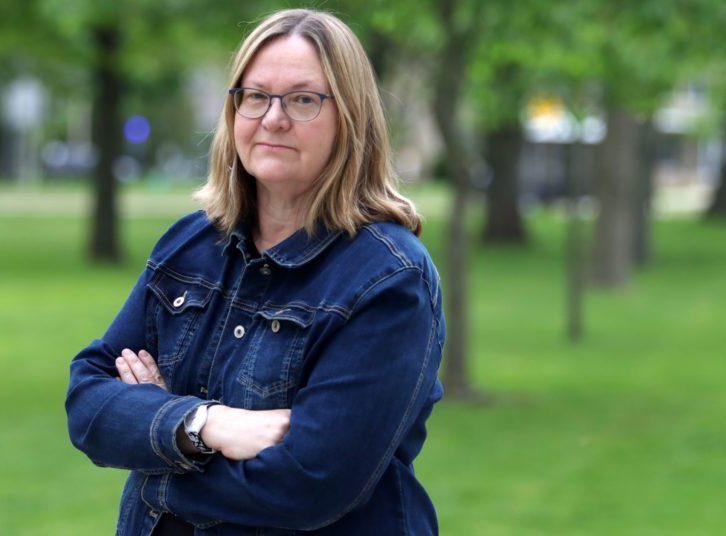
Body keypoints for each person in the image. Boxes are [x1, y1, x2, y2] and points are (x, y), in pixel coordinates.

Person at [66, 8, 445, 536]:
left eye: (304, 99)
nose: (273, 118)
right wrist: (206, 425)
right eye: (255, 96)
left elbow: (309, 483)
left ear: (351, 117)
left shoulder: (388, 278)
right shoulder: (190, 245)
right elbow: (87, 401)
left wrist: (155, 452)